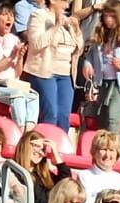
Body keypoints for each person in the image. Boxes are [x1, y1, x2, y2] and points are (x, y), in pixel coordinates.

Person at [80, 0, 120, 132]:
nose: (108, 20)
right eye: (106, 16)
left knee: (113, 114)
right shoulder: (101, 32)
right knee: (102, 116)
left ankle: (113, 148)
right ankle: (108, 146)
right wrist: (87, 63)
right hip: (104, 80)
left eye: (112, 16)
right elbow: (92, 54)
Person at [24, 0, 84, 128]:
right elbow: (36, 44)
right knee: (51, 113)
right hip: (44, 71)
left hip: (66, 74)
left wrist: (77, 31)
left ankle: (61, 146)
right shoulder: (38, 16)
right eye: (64, 1)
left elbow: (78, 49)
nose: (67, 4)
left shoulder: (67, 21)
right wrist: (56, 26)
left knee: (64, 115)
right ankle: (46, 145)